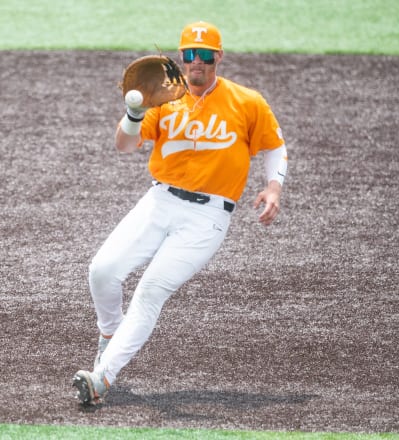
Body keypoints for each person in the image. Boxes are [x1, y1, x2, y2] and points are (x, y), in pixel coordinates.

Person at [72, 21, 288, 405]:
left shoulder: (246, 101)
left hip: (207, 219)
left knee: (150, 291)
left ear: (218, 57)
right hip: (160, 201)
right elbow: (124, 145)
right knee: (101, 270)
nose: (197, 63)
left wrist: (274, 186)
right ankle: (110, 334)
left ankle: (102, 377)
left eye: (205, 56)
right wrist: (134, 112)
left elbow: (273, 145)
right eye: (190, 55)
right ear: (181, 57)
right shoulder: (163, 98)